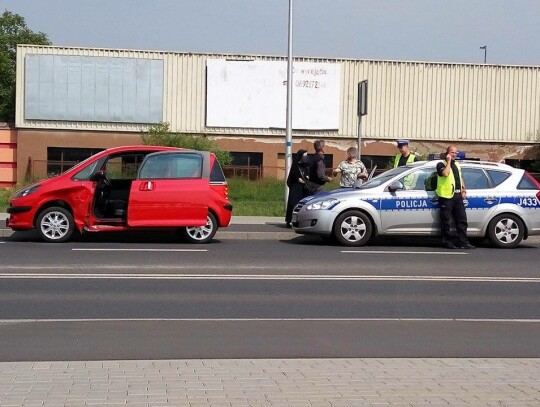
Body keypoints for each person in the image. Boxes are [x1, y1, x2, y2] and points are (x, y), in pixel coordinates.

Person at [436, 145, 475, 250]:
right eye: (452, 153)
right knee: (446, 221)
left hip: (457, 196)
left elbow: (459, 177)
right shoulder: (441, 164)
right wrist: (448, 161)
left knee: (462, 220)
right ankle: (447, 242)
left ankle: (463, 242)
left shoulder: (457, 164)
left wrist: (463, 188)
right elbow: (445, 173)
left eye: (455, 153)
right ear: (447, 153)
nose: (454, 155)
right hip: (446, 197)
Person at [285, 149, 310, 228]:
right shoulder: (295, 164)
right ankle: (289, 220)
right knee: (293, 203)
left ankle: (301, 221)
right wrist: (298, 178)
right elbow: (293, 174)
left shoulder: (306, 164)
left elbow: (308, 172)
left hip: (304, 187)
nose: (306, 157)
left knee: (303, 204)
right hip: (296, 187)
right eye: (304, 155)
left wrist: (307, 176)